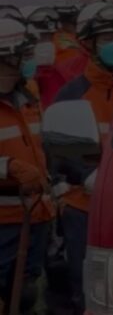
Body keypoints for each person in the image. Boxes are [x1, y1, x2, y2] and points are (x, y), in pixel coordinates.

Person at [51, 1, 113, 314]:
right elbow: (58, 149)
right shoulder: (72, 95)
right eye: (107, 38)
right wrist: (85, 174)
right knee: (87, 285)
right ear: (90, 45)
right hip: (84, 207)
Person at [0, 18, 54, 313]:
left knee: (29, 294)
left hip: (37, 216)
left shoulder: (28, 97)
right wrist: (7, 166)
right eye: (21, 57)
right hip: (4, 222)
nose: (26, 64)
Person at [19, 6, 62, 109]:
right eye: (40, 37)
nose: (46, 43)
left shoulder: (62, 76)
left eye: (49, 36)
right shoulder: (10, 85)